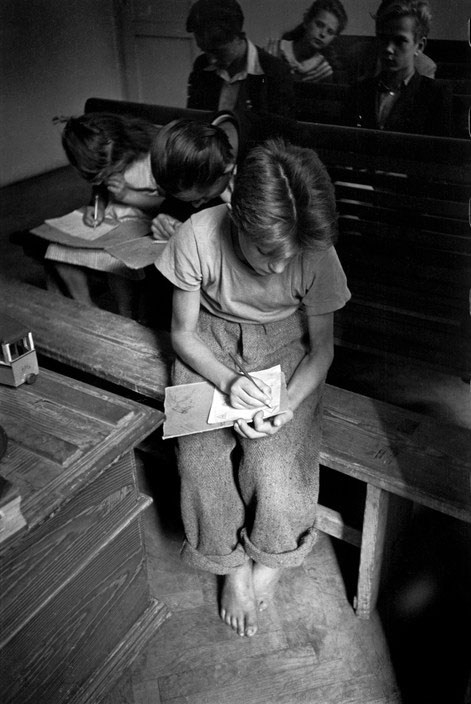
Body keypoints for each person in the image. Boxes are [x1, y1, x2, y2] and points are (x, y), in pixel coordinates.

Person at [155, 139, 351, 637]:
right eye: (266, 253)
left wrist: (286, 402)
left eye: (293, 256)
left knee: (276, 462)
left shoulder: (314, 248)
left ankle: (272, 557)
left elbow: (322, 350)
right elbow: (182, 334)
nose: (280, 267)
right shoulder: (197, 236)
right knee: (198, 456)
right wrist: (226, 379)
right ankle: (230, 563)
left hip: (285, 345)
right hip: (208, 344)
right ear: (237, 216)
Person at [46, 113, 163, 317]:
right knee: (57, 249)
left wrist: (128, 195)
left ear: (123, 148)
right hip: (111, 220)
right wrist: (97, 207)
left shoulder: (153, 158)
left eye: (107, 172)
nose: (105, 178)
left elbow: (169, 206)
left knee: (114, 260)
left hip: (144, 222)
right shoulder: (104, 158)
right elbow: (99, 190)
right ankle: (86, 306)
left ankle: (127, 314)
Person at [343, 0, 452, 135]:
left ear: (419, 46)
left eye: (400, 41)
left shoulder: (435, 94)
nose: (388, 48)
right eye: (383, 38)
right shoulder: (359, 91)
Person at [185, 0, 295, 119]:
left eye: (218, 52)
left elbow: (280, 133)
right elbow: (194, 121)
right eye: (204, 50)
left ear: (238, 38)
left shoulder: (275, 72)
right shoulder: (201, 65)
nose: (211, 61)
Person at [266, 0, 348, 84]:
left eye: (330, 32)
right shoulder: (274, 49)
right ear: (306, 21)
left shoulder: (323, 72)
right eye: (319, 25)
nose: (323, 34)